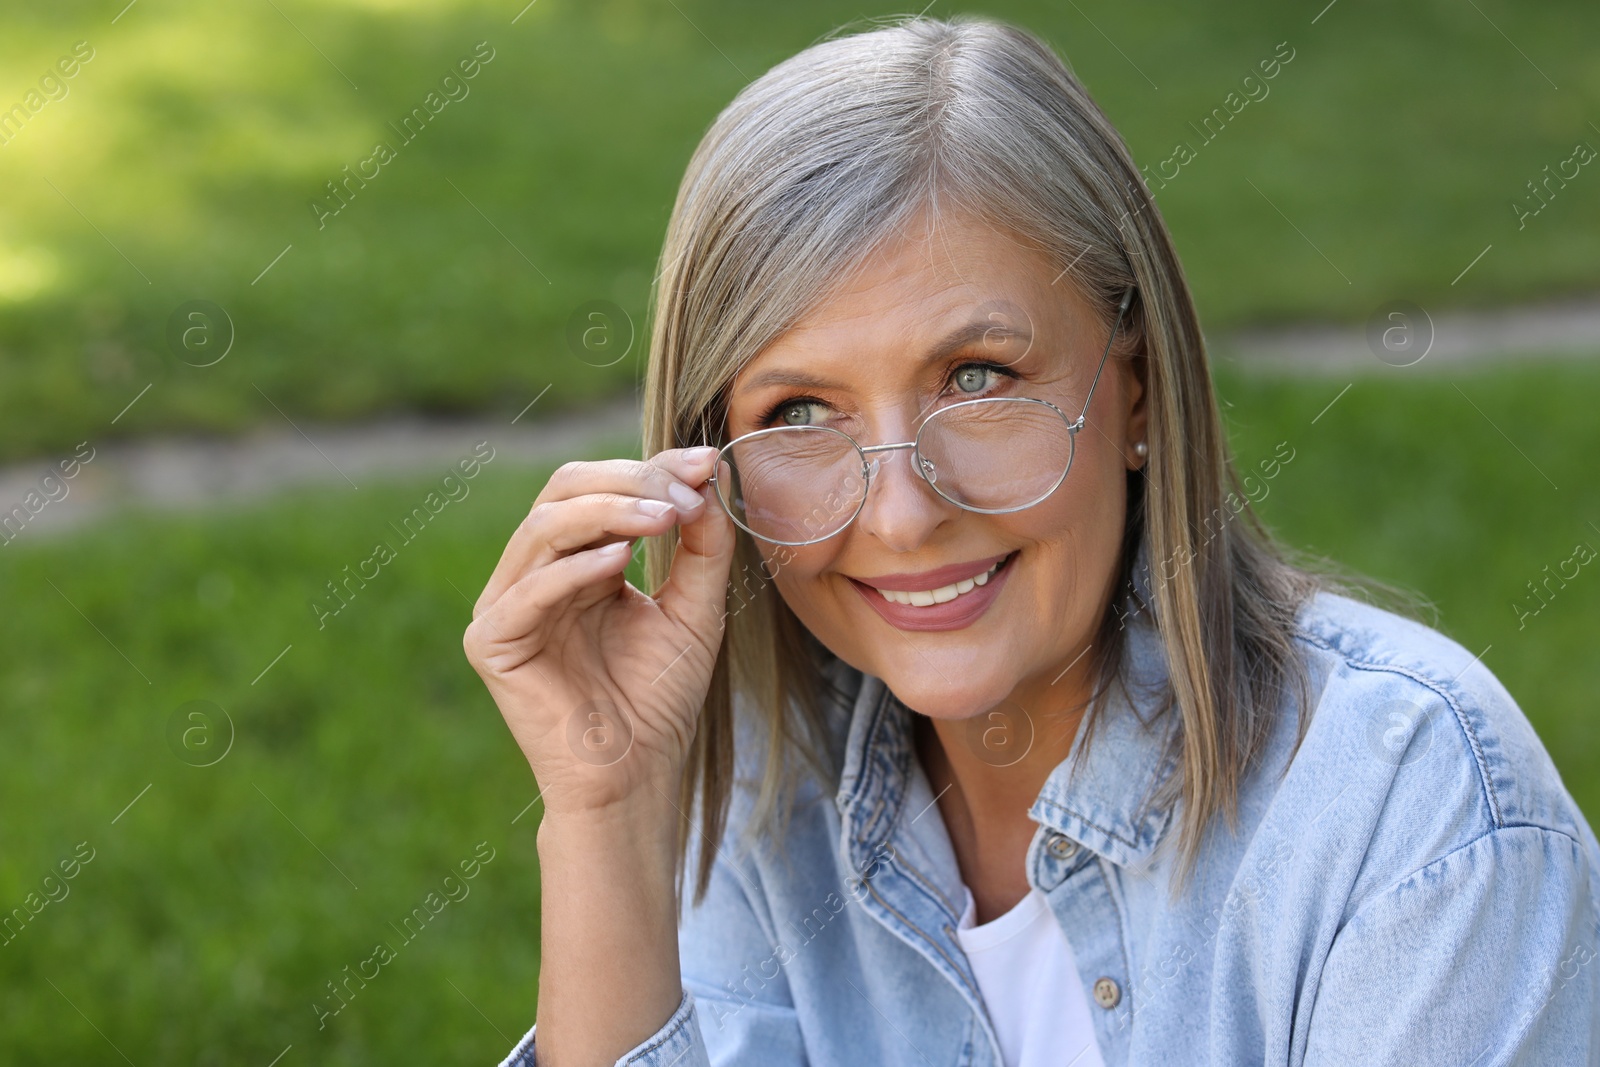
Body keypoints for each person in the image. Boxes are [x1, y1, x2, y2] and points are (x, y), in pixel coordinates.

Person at [463, 14, 1600, 1067]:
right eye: (799, 413)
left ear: (1140, 393)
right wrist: (606, 812)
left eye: (978, 378)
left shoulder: (1407, 813)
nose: (902, 514)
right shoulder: (769, 804)